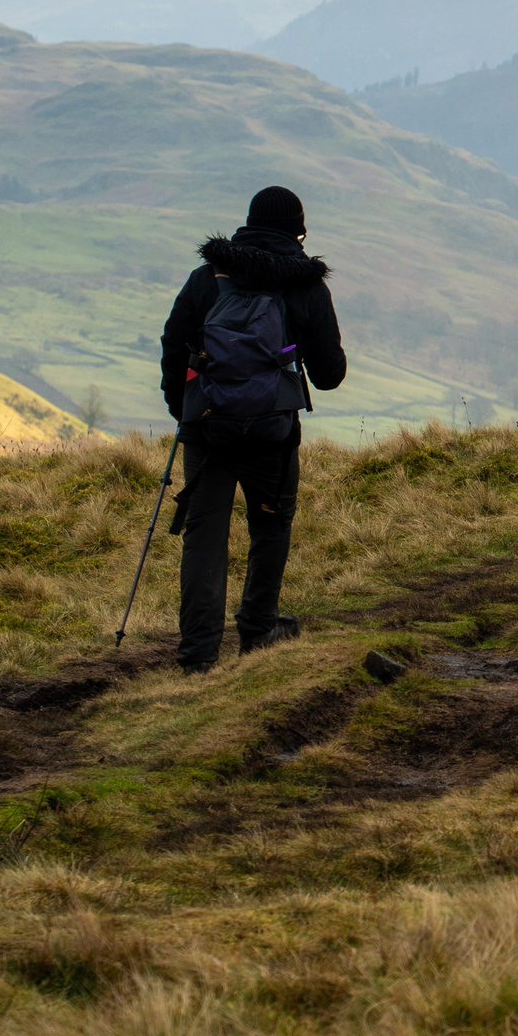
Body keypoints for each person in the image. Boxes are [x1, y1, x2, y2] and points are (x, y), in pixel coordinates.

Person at [158, 185, 347, 673]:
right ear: (298, 232)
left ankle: (197, 656)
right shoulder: (306, 287)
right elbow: (328, 376)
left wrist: (183, 407)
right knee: (270, 526)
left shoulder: (207, 279)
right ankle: (258, 630)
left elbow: (174, 343)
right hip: (273, 434)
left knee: (204, 538)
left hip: (206, 431)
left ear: (247, 224)